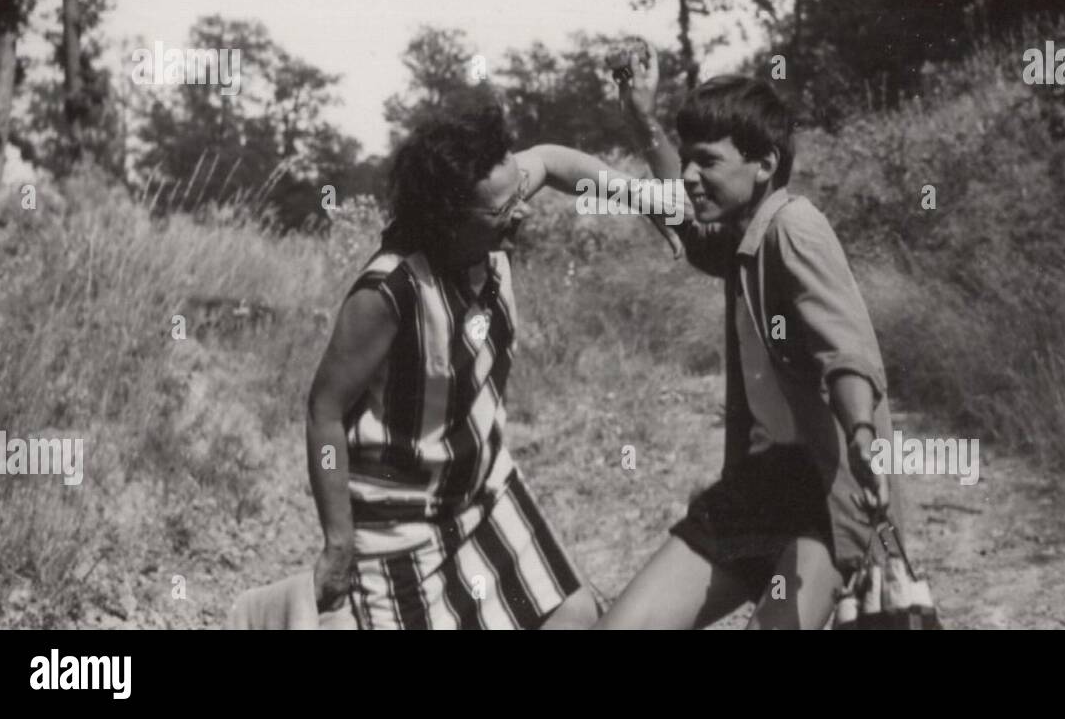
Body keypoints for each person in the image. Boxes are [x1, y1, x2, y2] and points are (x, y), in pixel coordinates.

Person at [306, 91, 681, 629]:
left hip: (482, 491)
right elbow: (323, 411)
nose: (522, 211)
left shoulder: (490, 203)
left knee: (573, 615)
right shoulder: (388, 292)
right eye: (504, 210)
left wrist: (642, 199)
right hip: (399, 526)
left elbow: (550, 160)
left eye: (517, 196)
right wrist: (338, 543)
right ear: (447, 219)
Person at [598, 43, 903, 629]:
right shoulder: (742, 238)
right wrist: (642, 119)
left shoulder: (793, 227)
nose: (690, 175)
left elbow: (846, 349)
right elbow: (683, 213)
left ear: (763, 163)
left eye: (707, 162)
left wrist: (864, 432)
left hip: (823, 490)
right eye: (688, 160)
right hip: (757, 486)